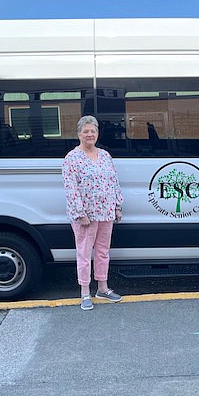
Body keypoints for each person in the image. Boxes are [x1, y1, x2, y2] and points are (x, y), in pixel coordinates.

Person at [62, 115, 124, 310]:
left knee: (103, 252)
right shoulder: (72, 158)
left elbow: (114, 181)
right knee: (84, 253)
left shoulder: (105, 156)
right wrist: (79, 213)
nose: (90, 134)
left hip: (105, 212)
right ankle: (85, 292)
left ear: (97, 133)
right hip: (85, 216)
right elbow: (70, 187)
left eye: (93, 131)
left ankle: (103, 288)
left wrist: (117, 206)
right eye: (86, 131)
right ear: (79, 134)